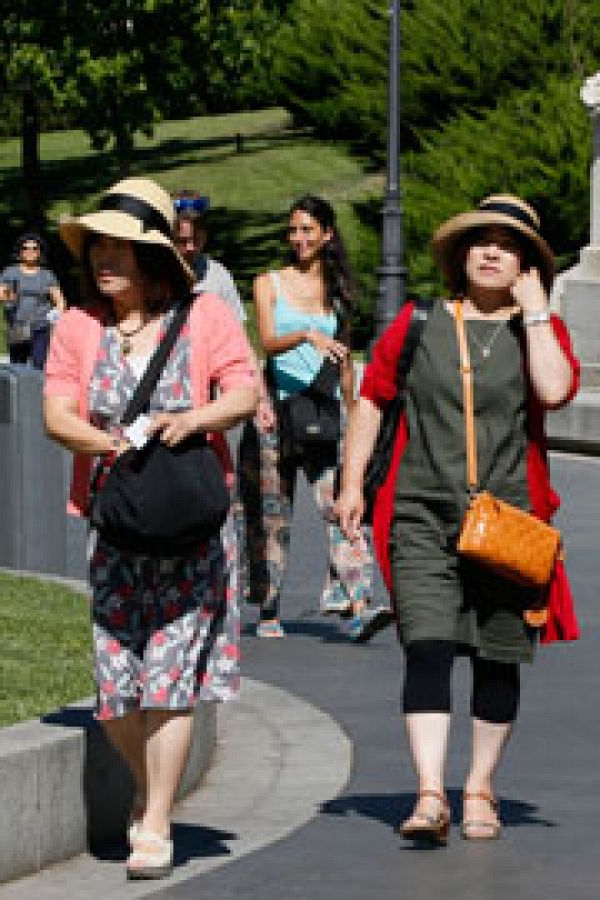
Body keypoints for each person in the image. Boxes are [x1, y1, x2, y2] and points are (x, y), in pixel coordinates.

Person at [334, 193, 581, 846]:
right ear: (460, 254)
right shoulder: (417, 323)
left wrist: (536, 314)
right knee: (429, 645)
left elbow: (555, 390)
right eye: (482, 240)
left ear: (528, 264)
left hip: (508, 520)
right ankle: (428, 794)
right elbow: (373, 400)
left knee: (497, 657)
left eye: (510, 243)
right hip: (420, 513)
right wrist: (352, 481)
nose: (493, 251)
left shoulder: (537, 331)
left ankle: (479, 787)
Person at [42, 177, 257, 879]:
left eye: (122, 248)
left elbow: (244, 391)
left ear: (155, 258)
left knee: (168, 680)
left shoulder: (203, 319)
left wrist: (189, 421)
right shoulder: (77, 325)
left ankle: (156, 820)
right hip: (116, 526)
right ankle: (147, 785)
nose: (106, 259)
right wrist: (104, 445)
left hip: (192, 528)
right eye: (98, 247)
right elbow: (56, 413)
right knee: (114, 694)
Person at [239, 195, 381, 640]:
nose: (298, 238)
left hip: (325, 411)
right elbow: (266, 341)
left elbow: (343, 359)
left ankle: (358, 602)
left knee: (343, 506)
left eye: (307, 230)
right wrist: (306, 334)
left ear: (327, 234)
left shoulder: (338, 291)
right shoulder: (269, 283)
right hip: (278, 414)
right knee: (271, 515)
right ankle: (267, 607)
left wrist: (354, 409)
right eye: (293, 230)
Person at [0, 232, 66, 367]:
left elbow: (59, 300)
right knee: (17, 364)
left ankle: (37, 388)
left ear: (39, 252)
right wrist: (9, 296)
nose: (30, 251)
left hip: (40, 326)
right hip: (17, 325)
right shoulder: (10, 272)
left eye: (34, 248)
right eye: (25, 248)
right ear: (20, 252)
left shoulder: (47, 275)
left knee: (39, 363)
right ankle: (19, 388)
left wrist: (55, 315)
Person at [172, 190, 246, 320]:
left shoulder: (218, 276)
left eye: (196, 239)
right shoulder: (153, 278)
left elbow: (236, 331)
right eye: (182, 241)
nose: (190, 248)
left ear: (205, 235)